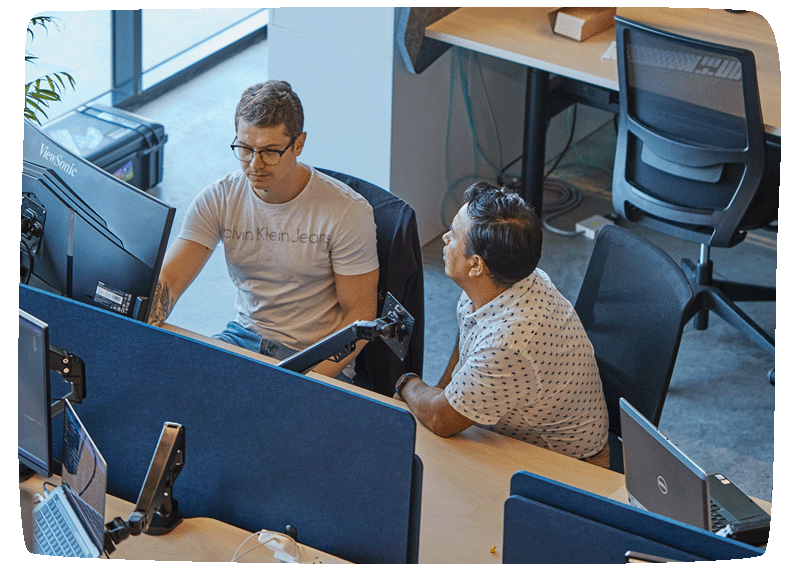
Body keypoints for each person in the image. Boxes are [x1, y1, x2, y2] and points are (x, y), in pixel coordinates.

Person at [148, 80, 379, 382]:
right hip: (243, 339)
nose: (255, 164)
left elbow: (359, 315)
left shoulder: (347, 211)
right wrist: (143, 332)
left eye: (270, 151)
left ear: (298, 144)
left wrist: (307, 381)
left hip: (312, 357)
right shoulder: (218, 199)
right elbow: (169, 281)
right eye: (245, 149)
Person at [394, 182, 609, 466]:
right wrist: (444, 391)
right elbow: (468, 332)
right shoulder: (499, 281)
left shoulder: (508, 342)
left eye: (454, 235)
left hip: (566, 467)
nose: (445, 238)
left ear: (476, 265)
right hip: (511, 429)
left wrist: (406, 383)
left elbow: (440, 419)